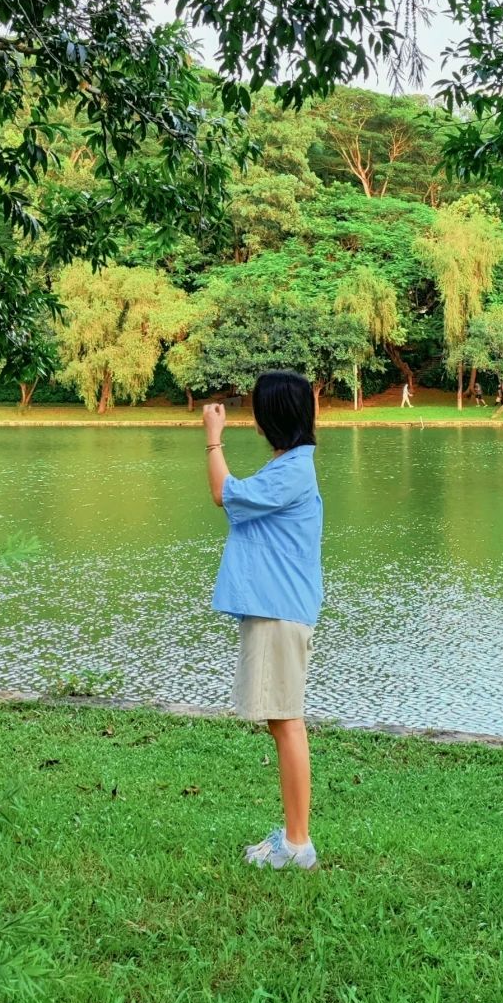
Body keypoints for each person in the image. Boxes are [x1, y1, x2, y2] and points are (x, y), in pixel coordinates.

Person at [203, 371, 323, 872]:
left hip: (279, 612)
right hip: (276, 608)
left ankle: (298, 845)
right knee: (281, 720)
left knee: (287, 721)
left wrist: (213, 439)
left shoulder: (291, 472)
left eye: (257, 407)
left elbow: (224, 493)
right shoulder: (289, 466)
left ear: (272, 417)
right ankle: (293, 838)